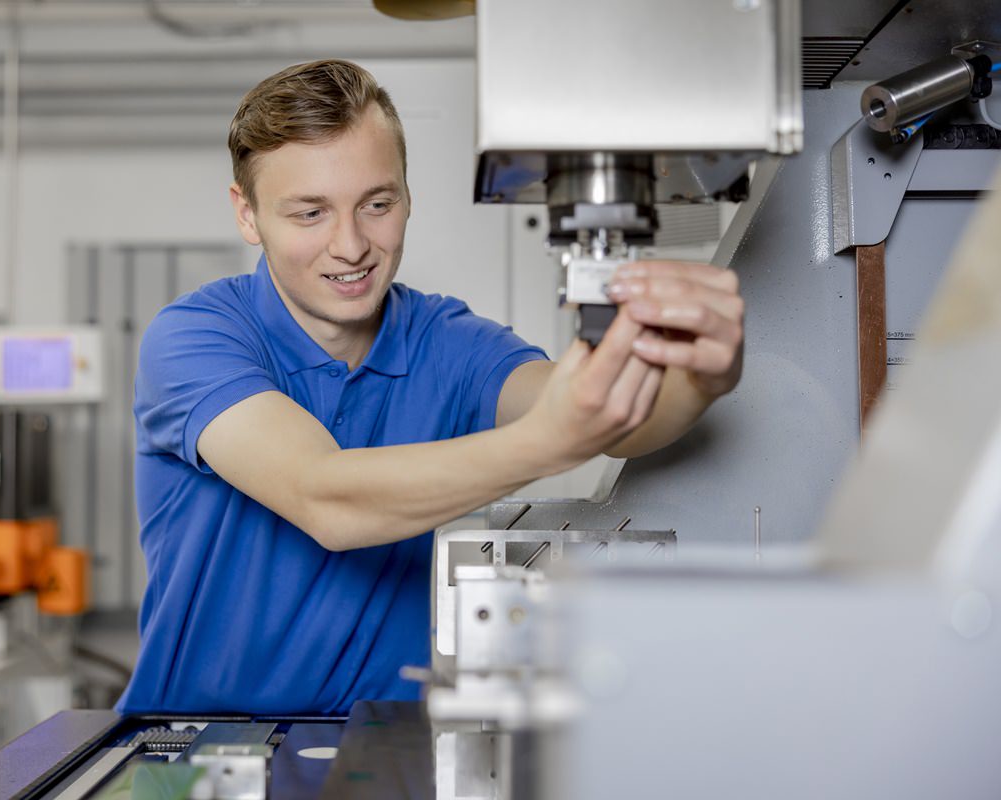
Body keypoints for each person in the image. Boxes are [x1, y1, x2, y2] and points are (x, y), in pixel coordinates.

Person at [116, 59, 744, 714]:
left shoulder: (447, 339)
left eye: (377, 204)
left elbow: (604, 410)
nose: (351, 245)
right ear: (248, 215)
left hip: (380, 748)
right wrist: (551, 441)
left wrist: (701, 379)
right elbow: (325, 498)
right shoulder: (195, 338)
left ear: (408, 196)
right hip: (187, 744)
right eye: (310, 214)